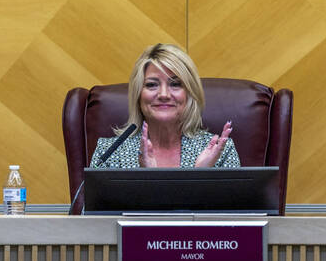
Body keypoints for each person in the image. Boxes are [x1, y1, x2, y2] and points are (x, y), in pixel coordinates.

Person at [91, 43, 240, 168]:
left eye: (175, 84)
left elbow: (238, 203)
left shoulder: (221, 151)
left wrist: (198, 176)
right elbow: (91, 204)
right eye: (151, 85)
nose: (164, 94)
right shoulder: (109, 153)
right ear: (138, 94)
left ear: (190, 93)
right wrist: (147, 179)